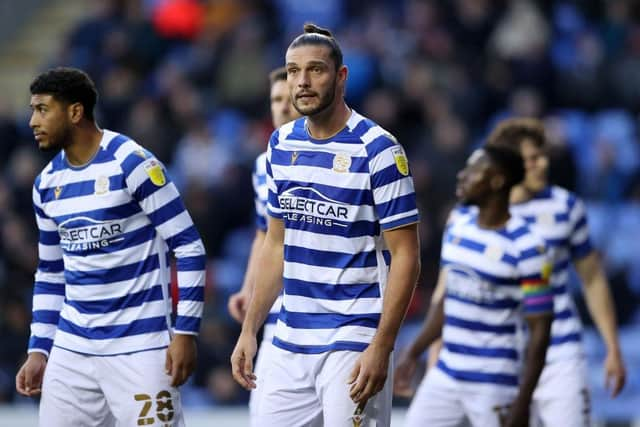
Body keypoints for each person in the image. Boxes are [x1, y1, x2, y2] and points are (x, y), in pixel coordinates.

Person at [230, 23, 421, 426]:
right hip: (289, 338)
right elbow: (275, 245)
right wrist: (251, 329)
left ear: (341, 76)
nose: (302, 81)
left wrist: (381, 346)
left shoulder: (379, 150)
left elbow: (406, 255)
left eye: (315, 70)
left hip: (354, 335)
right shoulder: (280, 145)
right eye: (293, 71)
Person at [15, 67, 206, 427]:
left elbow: (188, 246)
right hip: (72, 348)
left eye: (42, 109)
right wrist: (39, 349)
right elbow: (51, 273)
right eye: (32, 110)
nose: (32, 121)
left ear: (75, 112)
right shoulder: (46, 184)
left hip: (142, 345)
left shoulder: (132, 163)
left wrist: (185, 333)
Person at [395, 145, 554, 427]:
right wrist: (413, 351)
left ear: (497, 180)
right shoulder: (458, 224)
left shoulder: (529, 247)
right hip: (447, 372)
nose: (462, 176)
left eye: (473, 170)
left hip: (495, 381)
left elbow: (540, 332)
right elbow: (449, 300)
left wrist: (524, 400)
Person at [487, 118, 625, 426]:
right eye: (532, 159)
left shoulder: (565, 206)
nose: (543, 164)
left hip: (560, 351)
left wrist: (612, 346)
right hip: (501, 355)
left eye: (543, 156)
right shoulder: (478, 213)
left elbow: (592, 278)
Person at [227, 66, 301, 425]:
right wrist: (248, 287)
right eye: (276, 100)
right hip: (280, 306)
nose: (283, 108)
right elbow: (265, 235)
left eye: (289, 100)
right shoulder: (263, 165)